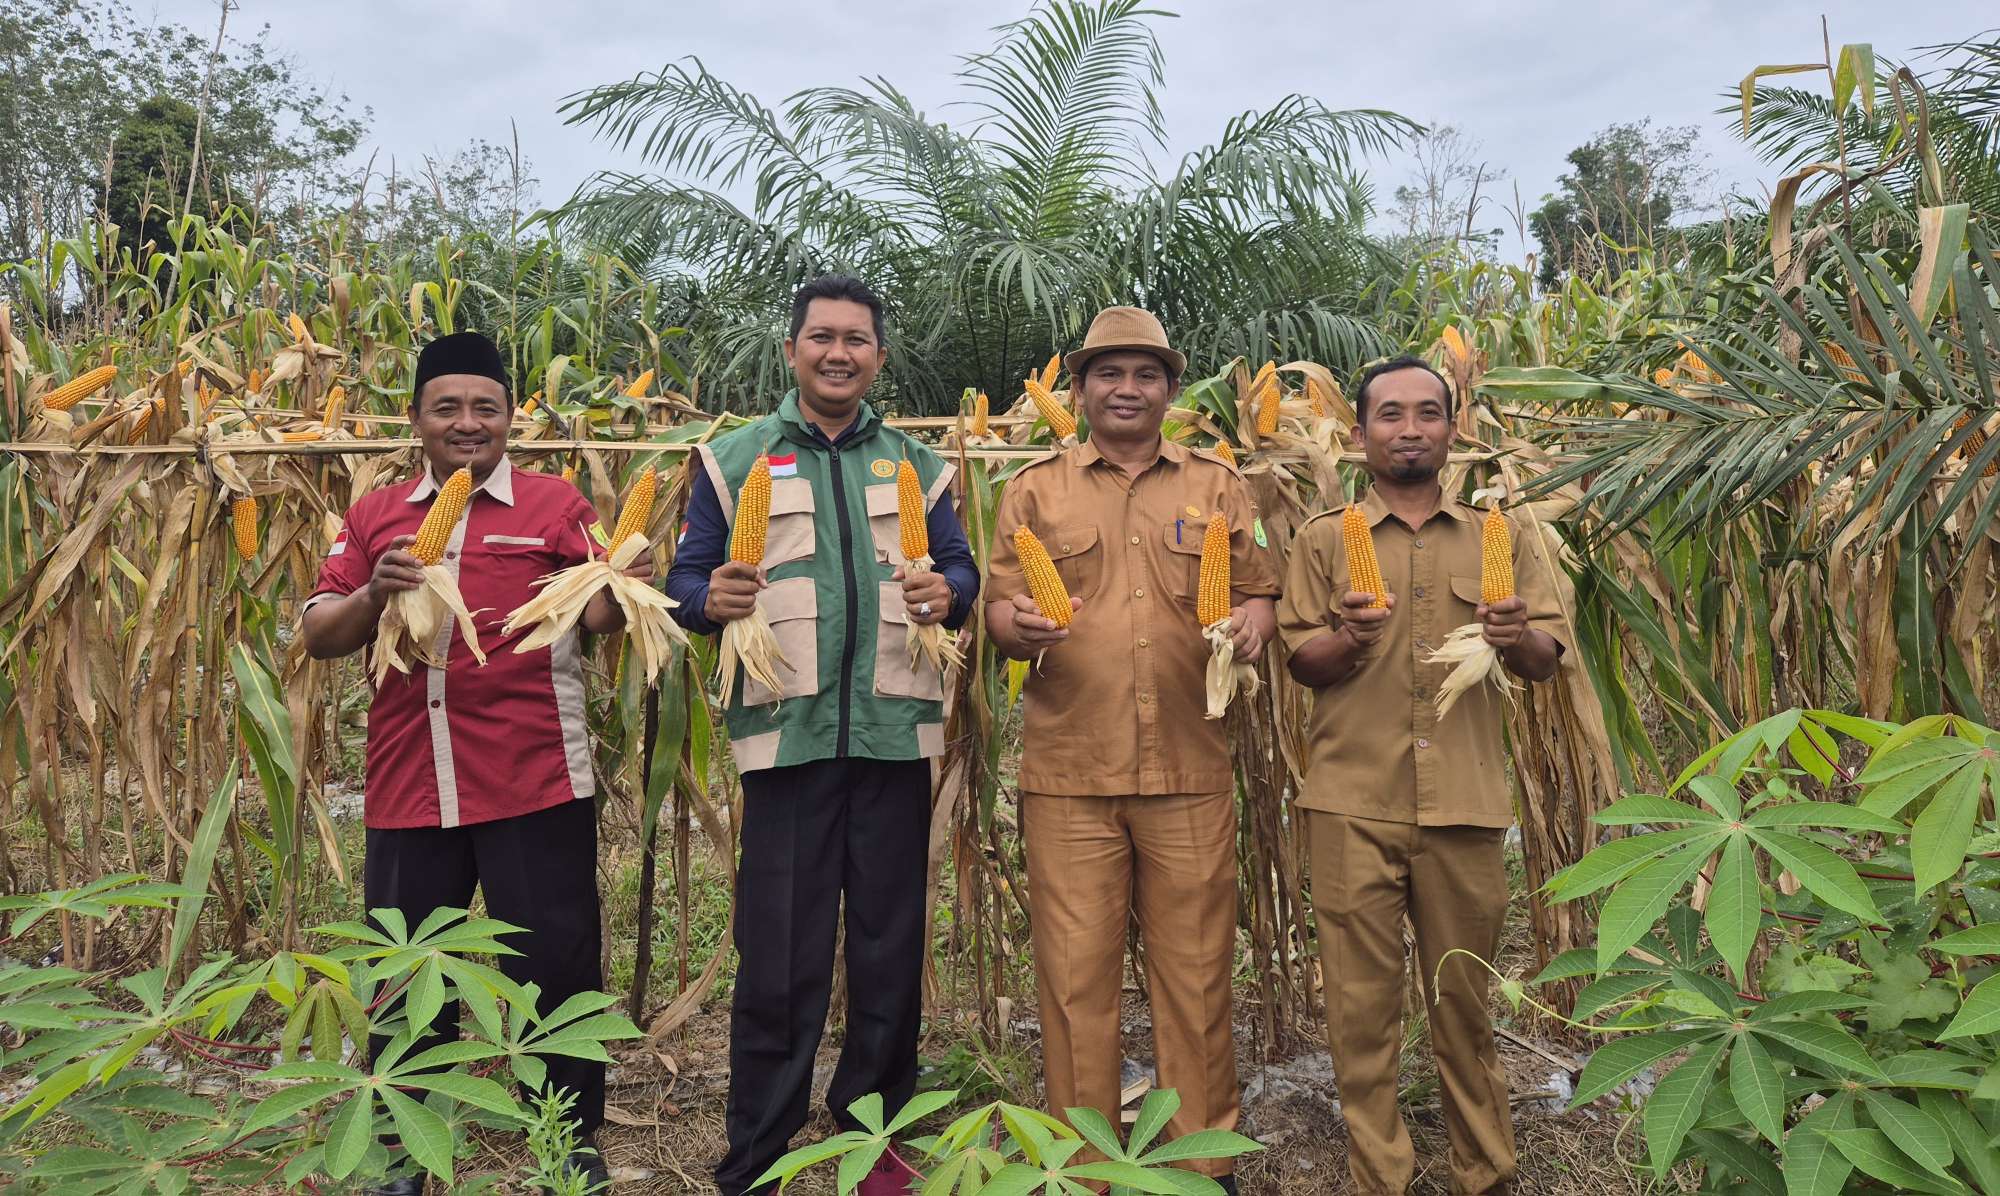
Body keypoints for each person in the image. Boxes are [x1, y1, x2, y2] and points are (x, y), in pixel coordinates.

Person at [664, 275, 980, 1196]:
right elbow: (687, 583)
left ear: (879, 356)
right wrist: (705, 601)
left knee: (889, 945)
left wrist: (948, 591)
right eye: (821, 338)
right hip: (787, 736)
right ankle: (758, 1149)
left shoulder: (917, 467)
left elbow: (956, 565)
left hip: (893, 733)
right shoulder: (736, 460)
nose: (838, 353)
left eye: (856, 340)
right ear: (793, 348)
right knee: (781, 951)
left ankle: (875, 1136)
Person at [303, 331, 638, 1195]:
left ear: (510, 418)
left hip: (534, 777)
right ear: (416, 419)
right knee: (406, 972)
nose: (467, 423)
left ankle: (570, 1138)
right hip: (412, 779)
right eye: (447, 407)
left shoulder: (556, 504)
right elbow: (318, 634)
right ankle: (407, 1146)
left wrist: (617, 584)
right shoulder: (376, 514)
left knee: (558, 964)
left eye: (485, 407)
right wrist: (375, 591)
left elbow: (604, 620)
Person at [984, 307, 1277, 1196]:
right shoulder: (1034, 491)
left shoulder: (1220, 487)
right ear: (1078, 390)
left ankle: (1198, 1162)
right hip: (1071, 773)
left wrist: (1253, 622)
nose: (1126, 389)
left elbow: (1261, 590)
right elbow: (997, 613)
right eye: (1107, 373)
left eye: (1145, 374)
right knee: (1076, 987)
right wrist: (1016, 624)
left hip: (1190, 768)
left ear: (1169, 390)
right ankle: (1087, 1167)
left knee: (1195, 977)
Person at [1278, 356, 1569, 1195]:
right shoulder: (1324, 540)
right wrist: (1349, 635)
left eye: (1428, 413)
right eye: (1390, 415)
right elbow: (1305, 663)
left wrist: (1515, 637)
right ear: (1360, 431)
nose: (1410, 429)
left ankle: (1487, 1171)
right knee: (1361, 1012)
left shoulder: (1499, 537)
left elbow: (1547, 661)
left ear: (1452, 427)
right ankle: (1383, 1175)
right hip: (1349, 803)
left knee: (1465, 1004)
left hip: (1466, 807)